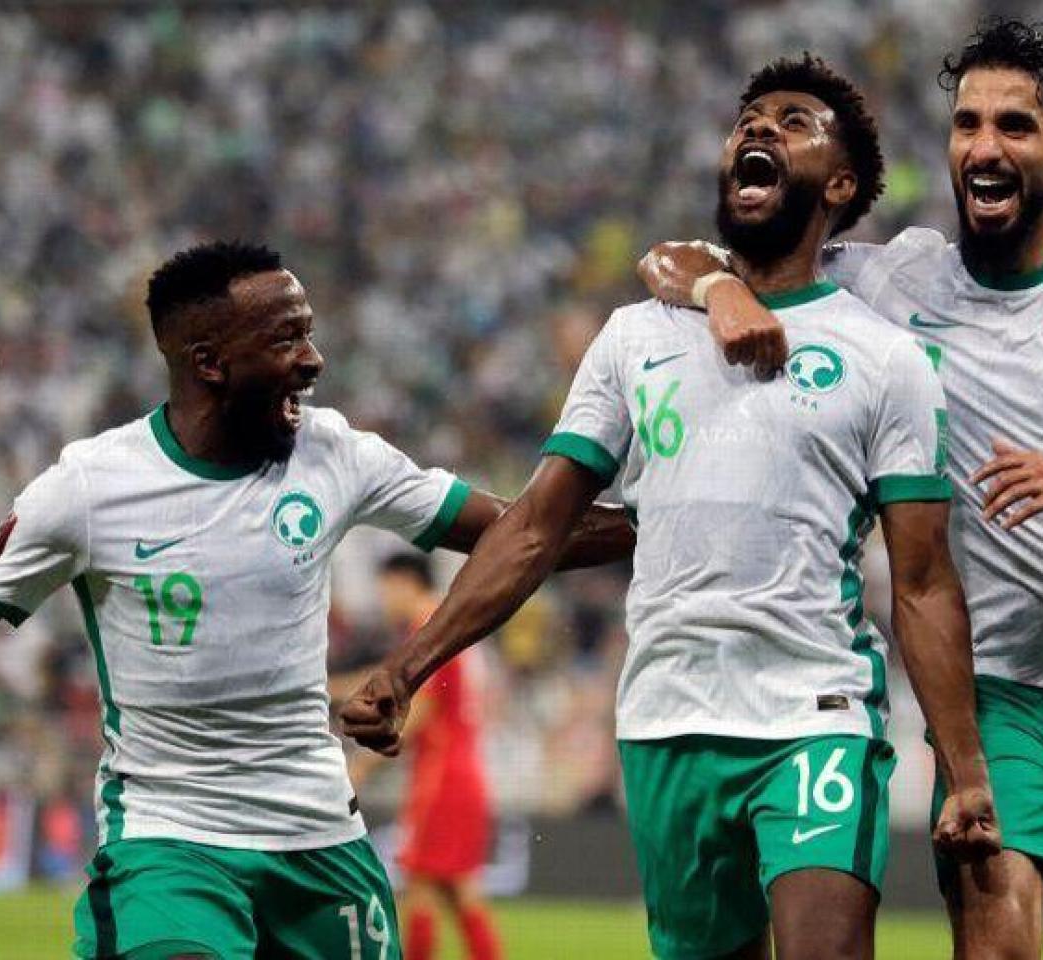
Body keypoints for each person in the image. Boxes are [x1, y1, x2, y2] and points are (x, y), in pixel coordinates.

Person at [0, 241, 634, 960]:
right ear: (208, 361)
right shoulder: (92, 487)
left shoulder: (337, 453)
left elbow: (523, 529)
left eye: (309, 331)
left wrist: (670, 515)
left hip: (321, 841)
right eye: (288, 337)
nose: (314, 360)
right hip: (171, 842)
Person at [637, 18, 1043, 960]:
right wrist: (717, 294)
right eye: (967, 123)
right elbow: (680, 259)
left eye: (1015, 126)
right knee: (995, 939)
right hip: (998, 698)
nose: (983, 145)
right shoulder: (893, 282)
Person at [344, 54, 999, 960]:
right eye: (748, 118)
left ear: (841, 183)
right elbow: (537, 526)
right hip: (666, 719)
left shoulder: (886, 360)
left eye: (794, 120)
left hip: (815, 714)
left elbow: (923, 581)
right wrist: (405, 668)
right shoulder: (634, 336)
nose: (759, 128)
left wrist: (965, 773)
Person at [351, 553, 503, 960]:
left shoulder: (427, 626)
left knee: (422, 887)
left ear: (404, 582)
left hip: (441, 773)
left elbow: (425, 707)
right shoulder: (452, 625)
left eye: (385, 588)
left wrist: (367, 761)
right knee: (457, 890)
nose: (384, 599)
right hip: (465, 768)